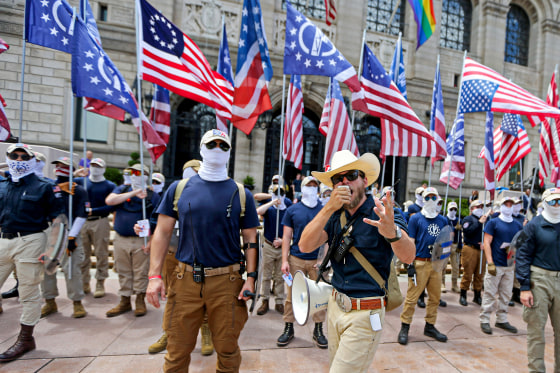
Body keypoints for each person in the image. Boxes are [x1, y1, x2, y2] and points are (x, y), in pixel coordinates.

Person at [146, 129, 259, 371]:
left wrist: (251, 278)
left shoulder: (241, 193)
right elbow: (162, 233)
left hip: (227, 283)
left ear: (229, 152)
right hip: (186, 279)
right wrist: (154, 276)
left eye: (223, 145)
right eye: (212, 144)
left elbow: (250, 239)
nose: (217, 149)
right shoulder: (179, 188)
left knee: (228, 350)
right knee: (177, 350)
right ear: (202, 149)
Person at [298, 150, 415, 371]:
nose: (344, 182)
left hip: (365, 314)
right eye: (337, 179)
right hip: (335, 307)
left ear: (364, 179)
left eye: (350, 175)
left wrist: (392, 233)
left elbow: (408, 255)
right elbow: (304, 245)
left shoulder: (383, 211)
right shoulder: (334, 214)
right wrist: (328, 208)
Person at [0, 143, 64, 362]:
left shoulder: (44, 186)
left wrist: (53, 251)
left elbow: (59, 219)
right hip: (3, 239)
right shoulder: (2, 184)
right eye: (14, 156)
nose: (18, 160)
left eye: (23, 156)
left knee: (28, 292)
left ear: (30, 160)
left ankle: (25, 339)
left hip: (31, 240)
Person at [277, 175, 328, 349]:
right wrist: (284, 260)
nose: (312, 188)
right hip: (296, 259)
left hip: (317, 262)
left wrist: (323, 260)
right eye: (309, 185)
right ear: (303, 188)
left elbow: (328, 239)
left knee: (319, 297)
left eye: (315, 185)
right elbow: (286, 237)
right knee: (291, 297)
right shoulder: (293, 210)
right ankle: (288, 327)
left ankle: (318, 329)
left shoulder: (323, 211)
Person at [398, 187, 450, 345]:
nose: (431, 201)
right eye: (428, 198)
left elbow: (445, 242)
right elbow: (411, 241)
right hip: (420, 262)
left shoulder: (442, 220)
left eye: (434, 198)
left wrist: (443, 260)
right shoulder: (416, 219)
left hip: (435, 264)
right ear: (423, 200)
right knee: (412, 297)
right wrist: (410, 263)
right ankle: (405, 326)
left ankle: (430, 325)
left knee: (435, 297)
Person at [517, 187, 560, 373]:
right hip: (539, 280)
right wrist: (524, 287)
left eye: (559, 201)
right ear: (544, 203)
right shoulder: (533, 225)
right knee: (536, 333)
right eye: (552, 201)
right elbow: (522, 255)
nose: (557, 205)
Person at [105, 163, 155, 318]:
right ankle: (125, 300)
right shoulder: (122, 190)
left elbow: (158, 219)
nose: (136, 175)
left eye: (140, 173)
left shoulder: (153, 195)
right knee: (123, 270)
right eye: (133, 172)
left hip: (141, 239)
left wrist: (151, 241)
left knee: (141, 271)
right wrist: (134, 193)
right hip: (121, 238)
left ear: (147, 176)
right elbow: (110, 201)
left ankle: (140, 300)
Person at [41, 157, 89, 319]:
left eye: (64, 166)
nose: (60, 168)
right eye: (58, 165)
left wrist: (72, 236)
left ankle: (77, 301)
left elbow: (82, 214)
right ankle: (49, 300)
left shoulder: (78, 190)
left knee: (72, 269)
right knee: (47, 268)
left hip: (70, 232)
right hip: (50, 232)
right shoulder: (48, 187)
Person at [479, 196, 522, 335]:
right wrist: (490, 262)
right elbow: (487, 242)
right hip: (496, 264)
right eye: (507, 204)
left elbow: (519, 243)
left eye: (512, 204)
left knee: (506, 294)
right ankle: (485, 319)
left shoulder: (517, 224)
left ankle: (502, 319)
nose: (509, 207)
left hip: (509, 265)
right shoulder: (493, 223)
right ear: (501, 205)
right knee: (490, 293)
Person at [77, 158, 116, 298]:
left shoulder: (109, 185)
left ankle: (100, 281)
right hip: (82, 221)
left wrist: (95, 210)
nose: (95, 168)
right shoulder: (82, 182)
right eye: (93, 165)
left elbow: (112, 205)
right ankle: (84, 281)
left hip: (100, 221)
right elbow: (64, 185)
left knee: (101, 253)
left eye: (98, 166)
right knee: (83, 253)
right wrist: (76, 173)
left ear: (104, 168)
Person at [256, 184, 292, 315]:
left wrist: (283, 241)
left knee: (280, 276)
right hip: (269, 245)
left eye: (281, 193)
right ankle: (264, 301)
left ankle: (278, 302)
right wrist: (272, 200)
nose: (279, 196)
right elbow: (258, 212)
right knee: (266, 276)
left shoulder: (287, 209)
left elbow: (293, 228)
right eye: (276, 193)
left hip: (282, 247)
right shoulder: (270, 209)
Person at [459, 200, 488, 307]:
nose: (480, 208)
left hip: (481, 249)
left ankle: (477, 295)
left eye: (481, 206)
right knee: (468, 273)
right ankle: (463, 294)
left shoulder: (486, 219)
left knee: (480, 273)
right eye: (477, 207)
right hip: (470, 248)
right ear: (472, 209)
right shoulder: (468, 219)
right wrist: (479, 223)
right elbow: (468, 231)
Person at [444, 201, 462, 293]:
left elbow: (459, 235)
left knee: (455, 267)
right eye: (451, 209)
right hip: (446, 244)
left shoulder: (458, 220)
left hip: (455, 244)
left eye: (455, 209)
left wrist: (460, 245)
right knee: (443, 265)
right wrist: (454, 228)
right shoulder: (444, 219)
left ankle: (454, 285)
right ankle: (442, 283)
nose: (453, 211)